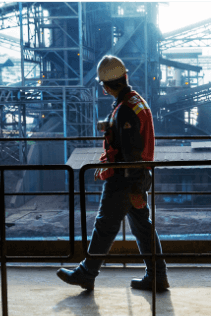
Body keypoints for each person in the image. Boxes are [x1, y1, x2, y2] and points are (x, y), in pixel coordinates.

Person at [57, 55, 169, 291]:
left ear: (106, 87)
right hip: (134, 176)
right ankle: (157, 275)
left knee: (104, 226)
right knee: (142, 227)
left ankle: (87, 273)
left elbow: (131, 154)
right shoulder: (135, 102)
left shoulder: (125, 110)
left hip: (124, 180)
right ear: (125, 76)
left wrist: (134, 187)